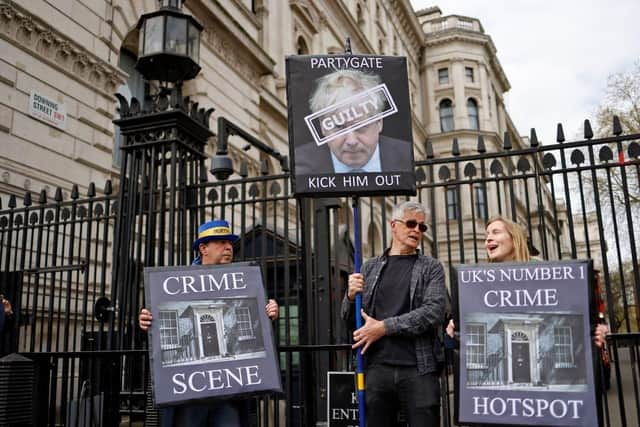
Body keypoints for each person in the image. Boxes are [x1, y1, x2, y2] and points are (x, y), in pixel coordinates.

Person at [138, 219, 279, 427]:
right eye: (221, 242)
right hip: (190, 396)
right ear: (203, 248)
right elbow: (160, 328)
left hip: (228, 394)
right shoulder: (175, 284)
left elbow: (254, 326)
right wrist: (147, 323)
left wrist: (269, 313)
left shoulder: (243, 282)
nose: (229, 247)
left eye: (230, 243)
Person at [341, 201, 446, 427]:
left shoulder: (431, 267)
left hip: (419, 368)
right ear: (393, 225)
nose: (416, 230)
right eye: (410, 223)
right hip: (377, 368)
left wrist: (383, 327)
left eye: (421, 227)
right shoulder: (369, 268)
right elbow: (349, 319)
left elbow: (433, 312)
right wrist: (350, 296)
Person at [445, 215, 609, 347]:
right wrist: (455, 329)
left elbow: (574, 311)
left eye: (495, 232)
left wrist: (596, 328)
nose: (488, 239)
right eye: (487, 234)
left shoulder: (542, 270)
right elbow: (472, 328)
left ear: (514, 238)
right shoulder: (480, 280)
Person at [295, 69, 412, 175]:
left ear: (379, 122)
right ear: (323, 127)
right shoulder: (300, 164)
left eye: (361, 126)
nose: (352, 141)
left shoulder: (406, 157)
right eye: (339, 127)